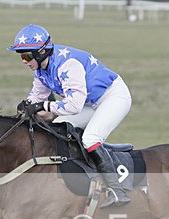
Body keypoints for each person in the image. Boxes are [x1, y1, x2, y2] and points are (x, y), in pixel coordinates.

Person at [7, 24, 132, 207]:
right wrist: (27, 107)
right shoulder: (41, 70)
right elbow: (37, 97)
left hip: (112, 97)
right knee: (60, 126)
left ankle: (117, 191)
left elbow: (74, 105)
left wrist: (44, 106)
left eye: (26, 56)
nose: (23, 61)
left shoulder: (67, 64)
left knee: (90, 138)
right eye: (21, 56)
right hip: (89, 103)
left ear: (41, 52)